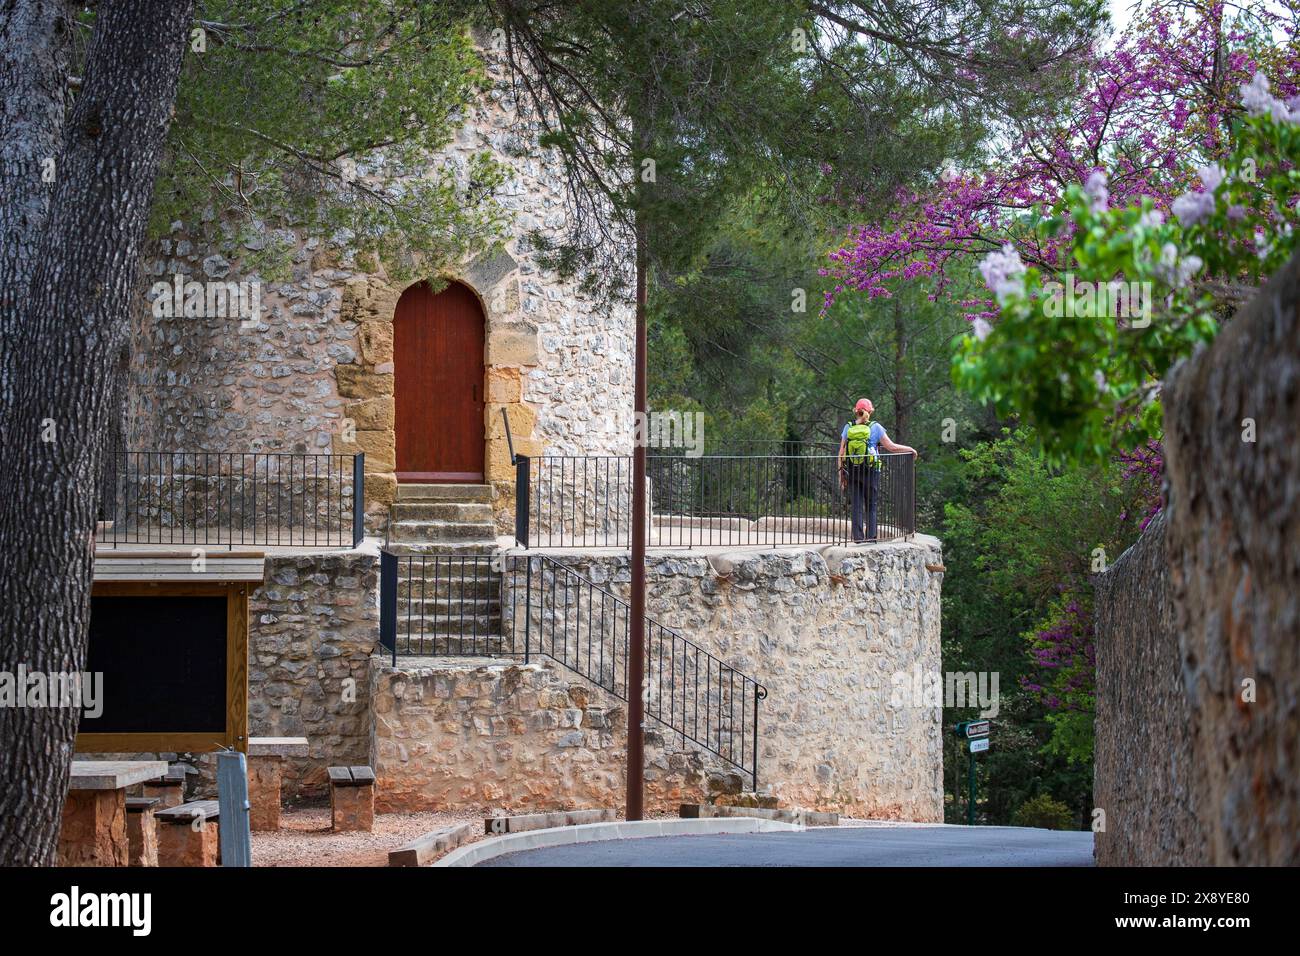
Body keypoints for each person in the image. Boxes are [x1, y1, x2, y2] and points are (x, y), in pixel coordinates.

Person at [838, 398, 918, 542]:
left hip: (853, 470)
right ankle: (871, 537)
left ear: (856, 411)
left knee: (856, 504)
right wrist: (910, 449)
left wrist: (841, 474)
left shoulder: (848, 427)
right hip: (871, 470)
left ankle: (857, 537)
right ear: (871, 411)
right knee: (871, 504)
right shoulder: (876, 427)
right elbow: (891, 447)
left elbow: (841, 452)